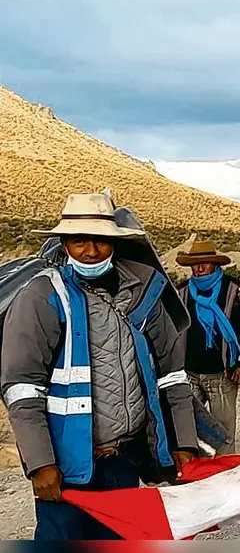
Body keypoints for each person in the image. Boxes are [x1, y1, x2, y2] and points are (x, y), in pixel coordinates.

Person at [1, 193, 198, 540]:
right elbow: (22, 387)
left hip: (124, 460)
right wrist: (40, 463)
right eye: (79, 241)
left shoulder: (143, 291)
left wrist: (184, 440)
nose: (90, 251)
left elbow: (173, 374)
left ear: (114, 242)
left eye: (100, 240)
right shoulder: (42, 296)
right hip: (65, 466)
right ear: (63, 242)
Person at [175, 240, 240, 454]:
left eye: (204, 263)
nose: (199, 268)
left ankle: (227, 472)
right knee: (185, 426)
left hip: (223, 375)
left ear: (214, 264)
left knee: (224, 430)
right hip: (189, 372)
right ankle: (194, 471)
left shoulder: (234, 293)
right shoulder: (182, 293)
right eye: (195, 264)